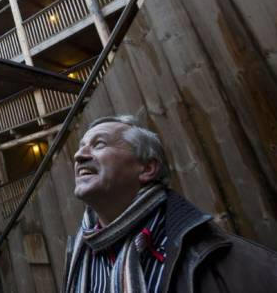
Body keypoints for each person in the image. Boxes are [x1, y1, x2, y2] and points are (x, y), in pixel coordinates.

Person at [62, 115, 277, 293]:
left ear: (147, 169)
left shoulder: (246, 267)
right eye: (81, 147)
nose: (79, 155)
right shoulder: (77, 260)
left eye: (99, 144)